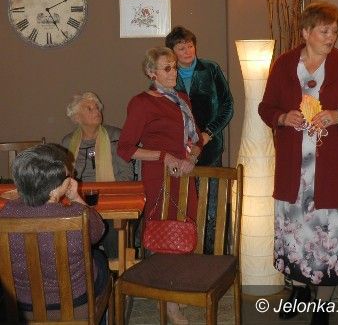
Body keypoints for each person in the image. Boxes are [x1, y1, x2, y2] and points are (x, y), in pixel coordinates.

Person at [258, 1, 338, 325]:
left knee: (328, 245)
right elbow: (266, 107)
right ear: (306, 32)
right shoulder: (283, 65)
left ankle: (322, 305)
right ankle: (298, 292)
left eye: (334, 31)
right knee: (296, 238)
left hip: (332, 175)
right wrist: (283, 117)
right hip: (294, 175)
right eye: (324, 31)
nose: (331, 36)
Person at [118, 46, 202, 325]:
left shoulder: (181, 99)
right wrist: (165, 157)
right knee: (164, 237)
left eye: (175, 67)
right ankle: (169, 303)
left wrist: (192, 157)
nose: (174, 72)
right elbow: (126, 149)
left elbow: (195, 140)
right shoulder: (141, 102)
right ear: (150, 72)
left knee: (185, 232)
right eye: (167, 68)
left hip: (184, 174)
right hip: (159, 176)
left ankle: (174, 291)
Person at [0, 143, 110, 322]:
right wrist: (76, 198)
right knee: (100, 259)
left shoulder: (6, 213)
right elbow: (98, 231)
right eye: (68, 176)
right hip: (75, 307)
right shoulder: (77, 214)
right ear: (55, 188)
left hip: (21, 308)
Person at [165, 25, 233, 253]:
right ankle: (185, 253)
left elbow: (227, 105)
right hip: (180, 150)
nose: (187, 51)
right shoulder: (167, 73)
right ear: (172, 52)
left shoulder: (210, 69)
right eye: (181, 48)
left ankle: (213, 255)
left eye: (190, 46)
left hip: (210, 148)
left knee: (212, 204)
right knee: (184, 205)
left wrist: (208, 134)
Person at [62, 91, 134, 259]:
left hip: (112, 201)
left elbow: (127, 175)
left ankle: (115, 270)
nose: (97, 111)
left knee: (111, 229)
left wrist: (107, 197)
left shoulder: (117, 137)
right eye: (89, 108)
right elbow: (65, 178)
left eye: (97, 107)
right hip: (79, 201)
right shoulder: (67, 142)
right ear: (77, 118)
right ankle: (80, 267)